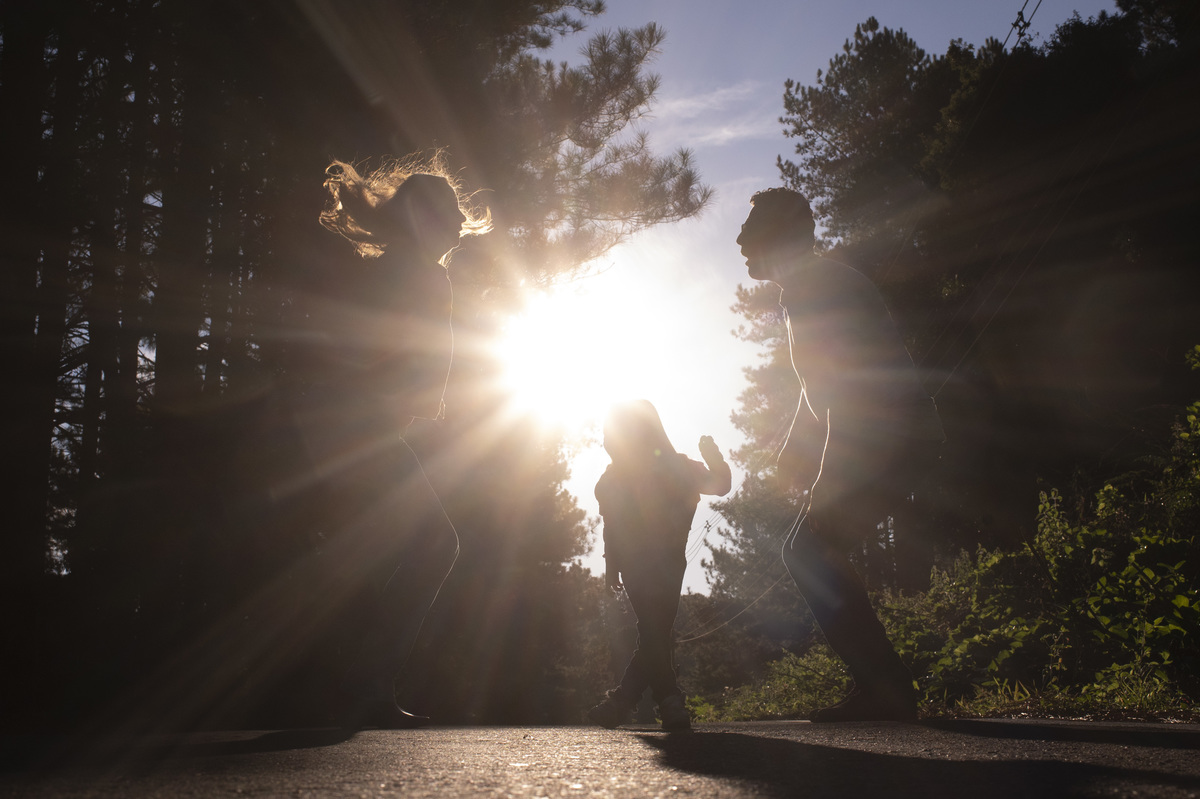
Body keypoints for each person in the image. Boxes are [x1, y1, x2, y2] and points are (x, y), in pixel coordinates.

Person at [281, 154, 490, 728]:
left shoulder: (415, 269)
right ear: (417, 220)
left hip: (352, 426)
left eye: (453, 215)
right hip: (351, 425)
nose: (452, 226)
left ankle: (345, 685)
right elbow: (362, 347)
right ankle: (358, 684)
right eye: (440, 214)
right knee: (431, 545)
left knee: (385, 552)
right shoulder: (409, 271)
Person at [736, 188, 943, 723]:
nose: (738, 239)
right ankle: (885, 686)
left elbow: (854, 393)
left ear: (778, 236)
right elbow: (823, 387)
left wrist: (827, 471)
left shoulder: (819, 286)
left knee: (808, 552)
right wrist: (793, 443)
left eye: (751, 227)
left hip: (888, 436)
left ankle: (887, 689)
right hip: (893, 436)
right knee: (813, 550)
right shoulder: (807, 287)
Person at [587, 400, 732, 732]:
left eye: (610, 433)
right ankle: (668, 701)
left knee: (654, 632)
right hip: (643, 567)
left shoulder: (675, 469)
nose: (606, 440)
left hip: (664, 565)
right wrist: (612, 566)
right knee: (655, 631)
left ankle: (625, 701)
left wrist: (714, 458)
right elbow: (612, 527)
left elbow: (719, 486)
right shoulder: (614, 480)